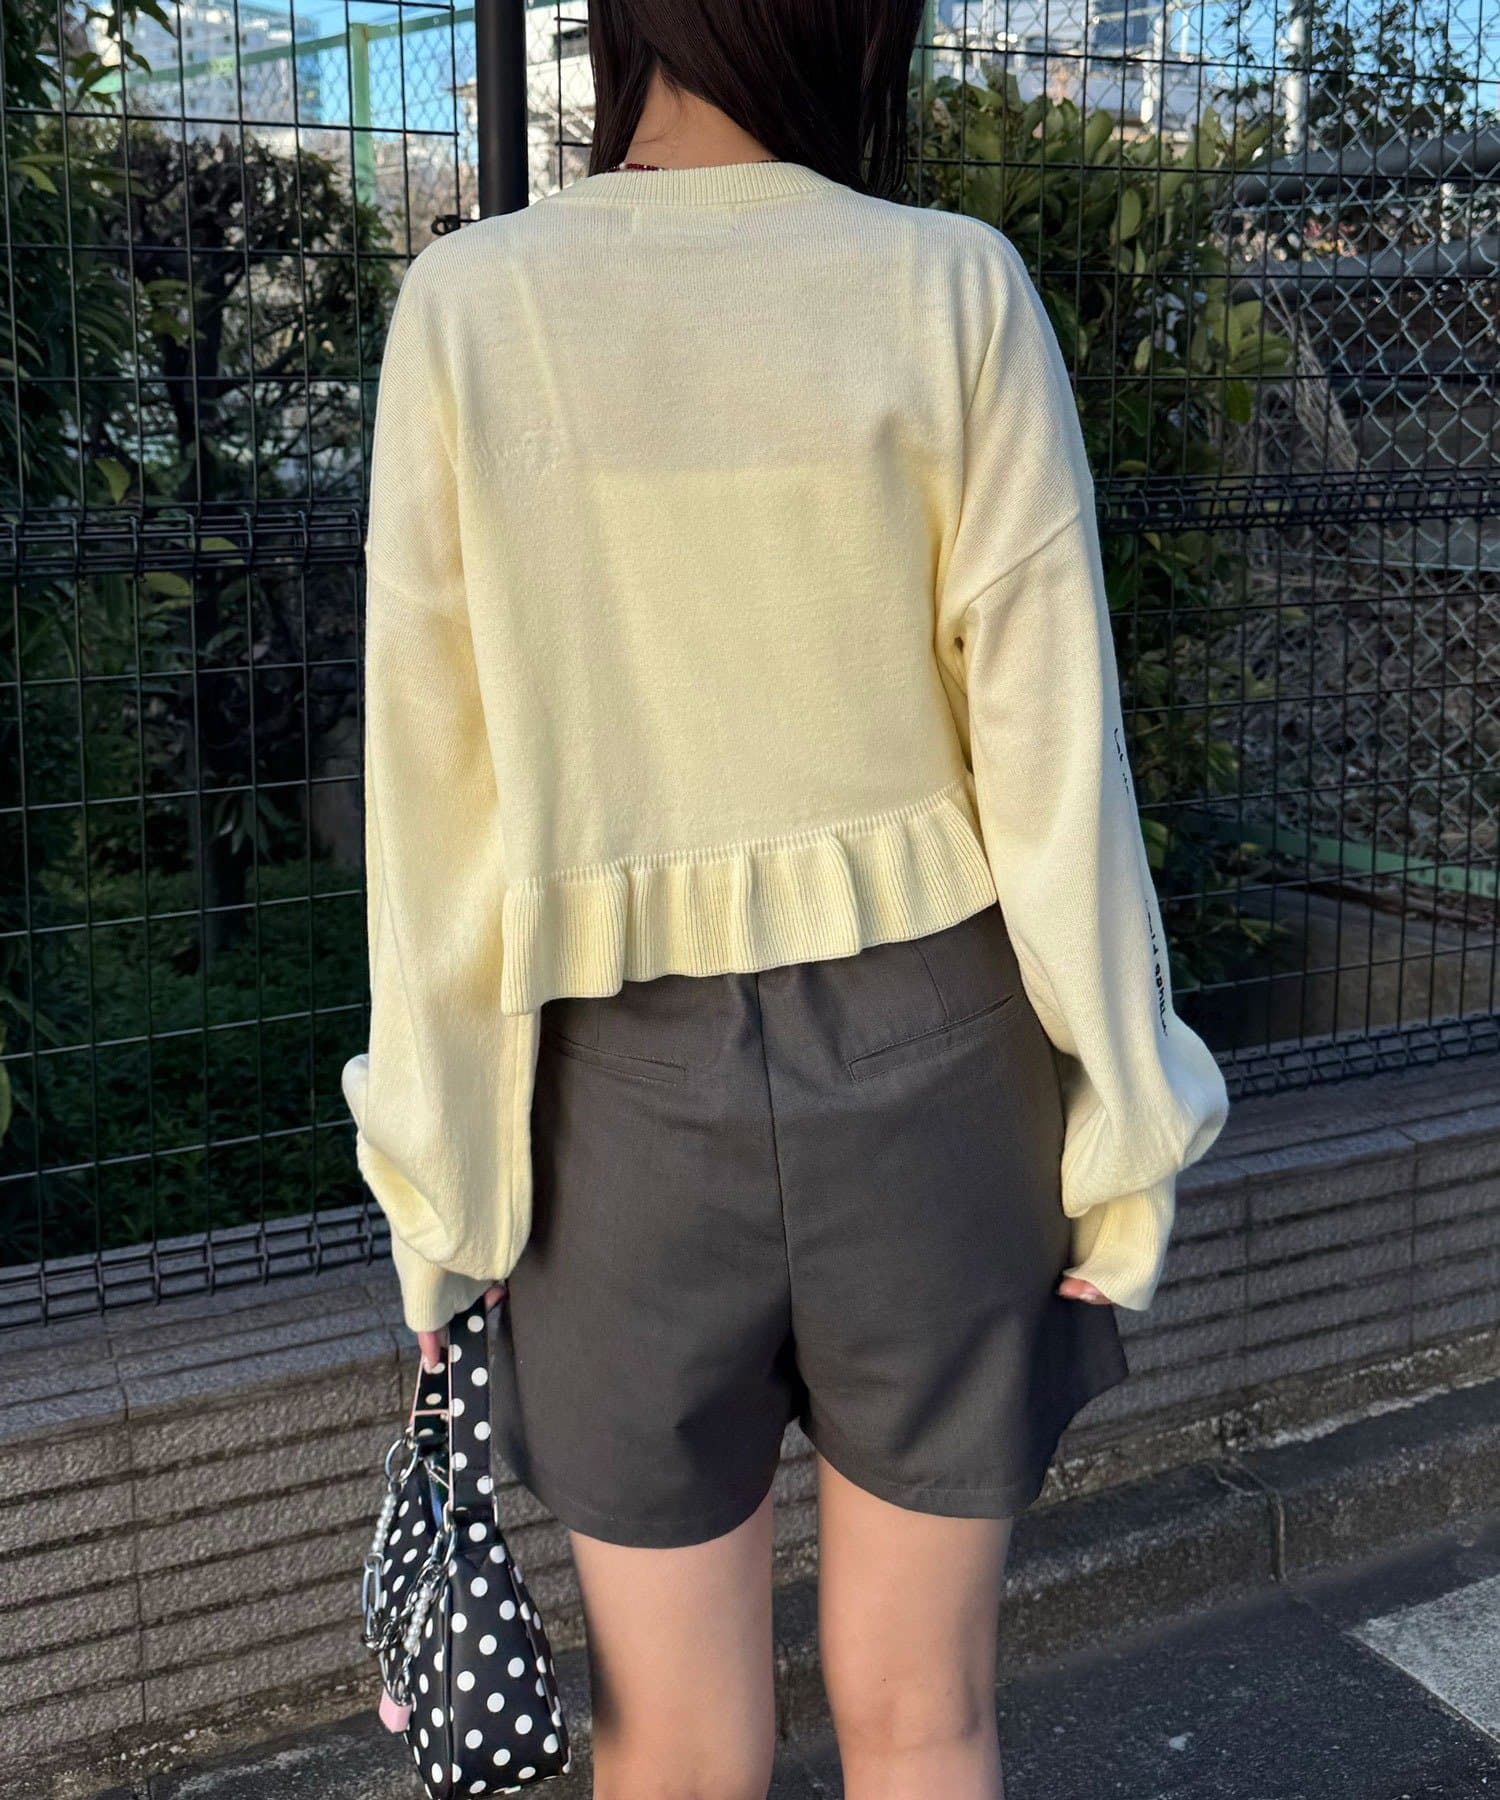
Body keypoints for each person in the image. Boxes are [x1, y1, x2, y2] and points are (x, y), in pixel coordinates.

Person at [340, 4, 1231, 1794]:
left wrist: (442, 1196)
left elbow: (433, 810)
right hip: (940, 1061)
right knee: (926, 1713)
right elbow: (1054, 768)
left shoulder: (473, 308)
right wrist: (1127, 1139)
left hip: (612, 1100)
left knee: (669, 1743)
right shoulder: (952, 287)